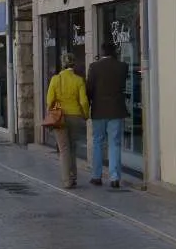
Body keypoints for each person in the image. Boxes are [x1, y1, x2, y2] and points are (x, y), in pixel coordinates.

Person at [86, 40, 129, 188]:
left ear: (102, 51)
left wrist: (90, 102)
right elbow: (123, 85)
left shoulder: (94, 67)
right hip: (116, 109)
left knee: (98, 142)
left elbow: (89, 89)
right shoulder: (122, 66)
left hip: (98, 110)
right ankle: (114, 177)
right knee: (114, 143)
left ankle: (97, 176)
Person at [44, 52, 90, 189]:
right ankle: (73, 176)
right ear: (74, 64)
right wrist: (86, 114)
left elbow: (49, 100)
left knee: (64, 149)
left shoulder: (55, 79)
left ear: (63, 64)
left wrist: (51, 113)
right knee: (73, 147)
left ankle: (67, 180)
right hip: (75, 116)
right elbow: (83, 101)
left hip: (60, 117)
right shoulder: (78, 80)